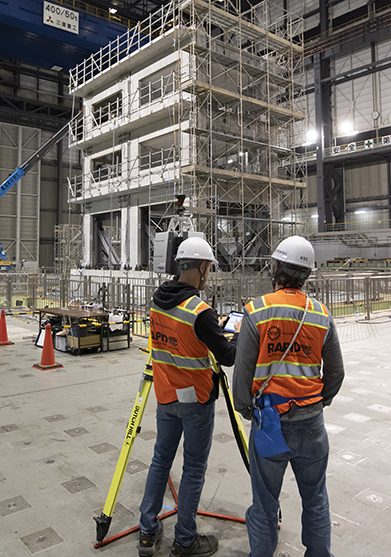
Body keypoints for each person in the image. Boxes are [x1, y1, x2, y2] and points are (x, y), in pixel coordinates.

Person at [233, 235, 344, 557]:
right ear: (307, 274)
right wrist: (320, 402)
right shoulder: (321, 314)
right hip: (312, 424)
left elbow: (242, 374)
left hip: (270, 423)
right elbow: (336, 372)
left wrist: (246, 410)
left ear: (276, 268)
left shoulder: (257, 311)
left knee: (265, 502)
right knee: (316, 498)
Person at [139, 236, 239, 557]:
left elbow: (174, 341)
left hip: (166, 396)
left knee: (160, 460)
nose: (208, 273)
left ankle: (147, 530)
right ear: (200, 268)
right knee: (193, 468)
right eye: (208, 267)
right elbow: (227, 356)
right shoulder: (200, 311)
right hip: (195, 401)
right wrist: (232, 337)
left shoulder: (157, 301)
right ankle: (184, 539)